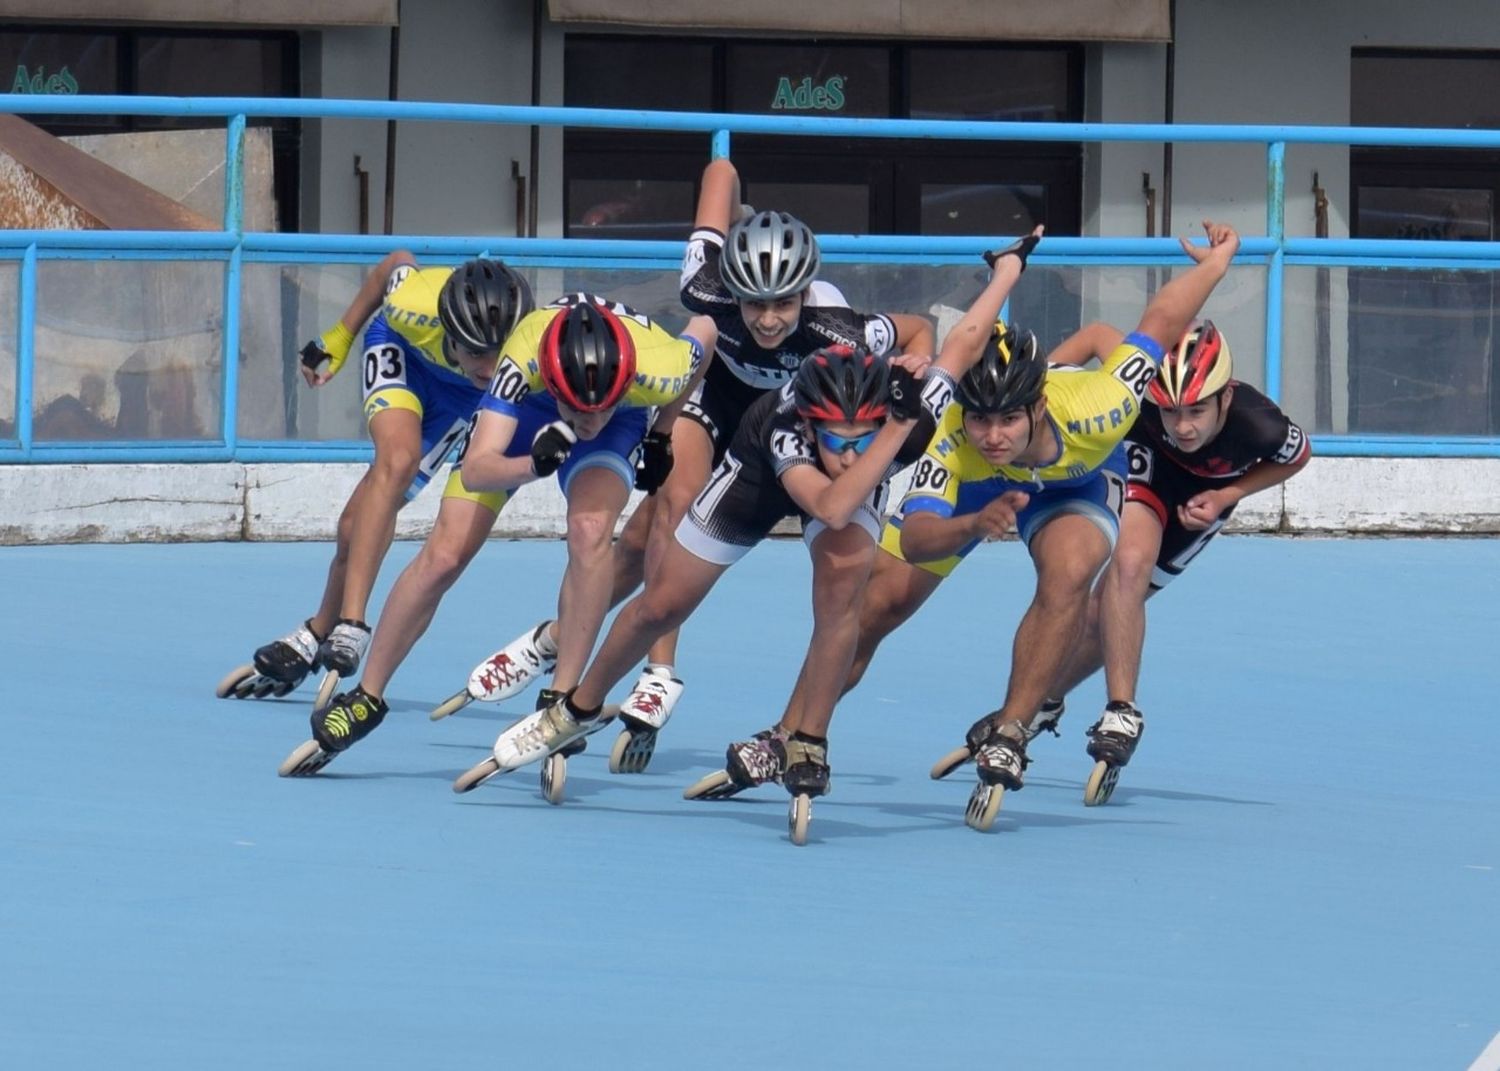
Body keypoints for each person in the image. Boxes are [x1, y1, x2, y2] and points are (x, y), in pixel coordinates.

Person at [474, 156, 935, 747]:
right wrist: (736, 205)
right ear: (733, 291)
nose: (768, 320)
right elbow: (719, 169)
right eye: (754, 305)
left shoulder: (841, 327)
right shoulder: (705, 285)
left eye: (783, 305)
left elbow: (920, 330)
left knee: (647, 545)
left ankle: (567, 639)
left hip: (802, 419)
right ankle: (653, 670)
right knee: (668, 511)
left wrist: (909, 364)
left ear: (803, 296)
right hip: (720, 397)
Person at [854, 220, 1243, 831]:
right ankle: (798, 731)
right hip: (983, 478)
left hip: (1076, 475)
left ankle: (1013, 727)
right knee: (878, 605)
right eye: (981, 415)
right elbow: (915, 535)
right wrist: (972, 525)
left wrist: (1216, 266)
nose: (994, 426)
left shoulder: (1104, 402)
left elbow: (1163, 319)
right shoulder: (955, 435)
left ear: (1036, 405)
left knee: (1070, 571)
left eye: (1010, 413)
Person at [458, 342, 929, 835]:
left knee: (841, 597)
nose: (852, 455)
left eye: (863, 439)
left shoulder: (911, 416)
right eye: (838, 442)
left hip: (854, 482)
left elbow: (958, 346)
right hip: (759, 479)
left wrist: (1001, 275)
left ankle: (808, 740)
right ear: (812, 427)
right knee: (661, 607)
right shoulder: (789, 429)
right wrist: (894, 429)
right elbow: (830, 507)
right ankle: (578, 709)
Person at [279, 294, 716, 775]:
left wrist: (661, 432)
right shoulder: (520, 359)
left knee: (591, 531)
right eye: (578, 412)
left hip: (626, 415)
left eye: (597, 410)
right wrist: (534, 463)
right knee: (445, 553)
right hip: (531, 408)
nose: (587, 424)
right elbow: (480, 469)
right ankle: (368, 695)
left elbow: (706, 330)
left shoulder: (662, 366)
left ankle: (561, 698)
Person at [217, 254, 533, 704]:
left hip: (463, 402)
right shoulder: (413, 303)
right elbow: (395, 263)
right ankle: (352, 621)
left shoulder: (528, 346)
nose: (490, 364)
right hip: (403, 355)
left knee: (355, 525)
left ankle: (315, 631)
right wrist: (340, 338)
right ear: (450, 332)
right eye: (476, 352)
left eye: (499, 353)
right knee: (398, 459)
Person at [1037, 318, 1311, 804]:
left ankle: (1044, 699)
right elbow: (1099, 334)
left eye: (1196, 411)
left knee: (1112, 614)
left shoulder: (1260, 424)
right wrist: (1040, 390)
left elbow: (1298, 456)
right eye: (1169, 411)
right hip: (1144, 466)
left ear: (1226, 397)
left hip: (1203, 499)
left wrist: (1228, 492)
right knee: (1128, 566)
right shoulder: (1143, 395)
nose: (1182, 426)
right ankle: (1122, 710)